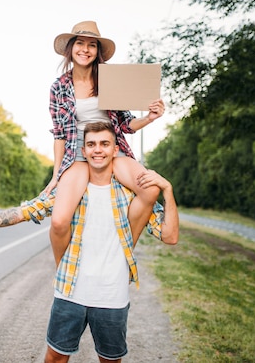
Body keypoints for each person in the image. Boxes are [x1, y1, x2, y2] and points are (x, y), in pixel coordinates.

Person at [0, 121, 179, 363]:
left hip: (112, 296)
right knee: (55, 358)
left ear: (115, 150)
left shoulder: (130, 195)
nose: (98, 150)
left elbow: (170, 236)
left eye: (104, 144)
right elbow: (26, 211)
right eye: (91, 144)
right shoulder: (70, 193)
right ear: (84, 151)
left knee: (110, 360)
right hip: (70, 292)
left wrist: (167, 189)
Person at [44, 20, 166, 267]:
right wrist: (56, 175)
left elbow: (125, 125)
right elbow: (58, 135)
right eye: (80, 43)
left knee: (151, 189)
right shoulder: (59, 87)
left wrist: (149, 118)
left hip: (112, 148)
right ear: (71, 48)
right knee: (58, 222)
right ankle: (62, 270)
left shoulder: (109, 80)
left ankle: (120, 256)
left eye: (92, 45)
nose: (85, 49)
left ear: (97, 51)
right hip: (78, 152)